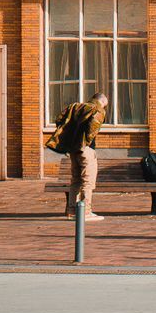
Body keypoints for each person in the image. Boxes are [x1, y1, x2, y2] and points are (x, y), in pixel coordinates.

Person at [50, 94, 106, 222]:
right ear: (101, 101)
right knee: (88, 180)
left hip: (73, 150)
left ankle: (71, 211)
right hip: (86, 149)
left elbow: (59, 119)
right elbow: (93, 127)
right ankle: (86, 212)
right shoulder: (98, 109)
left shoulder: (75, 106)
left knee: (75, 180)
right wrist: (86, 141)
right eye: (105, 105)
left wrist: (69, 137)